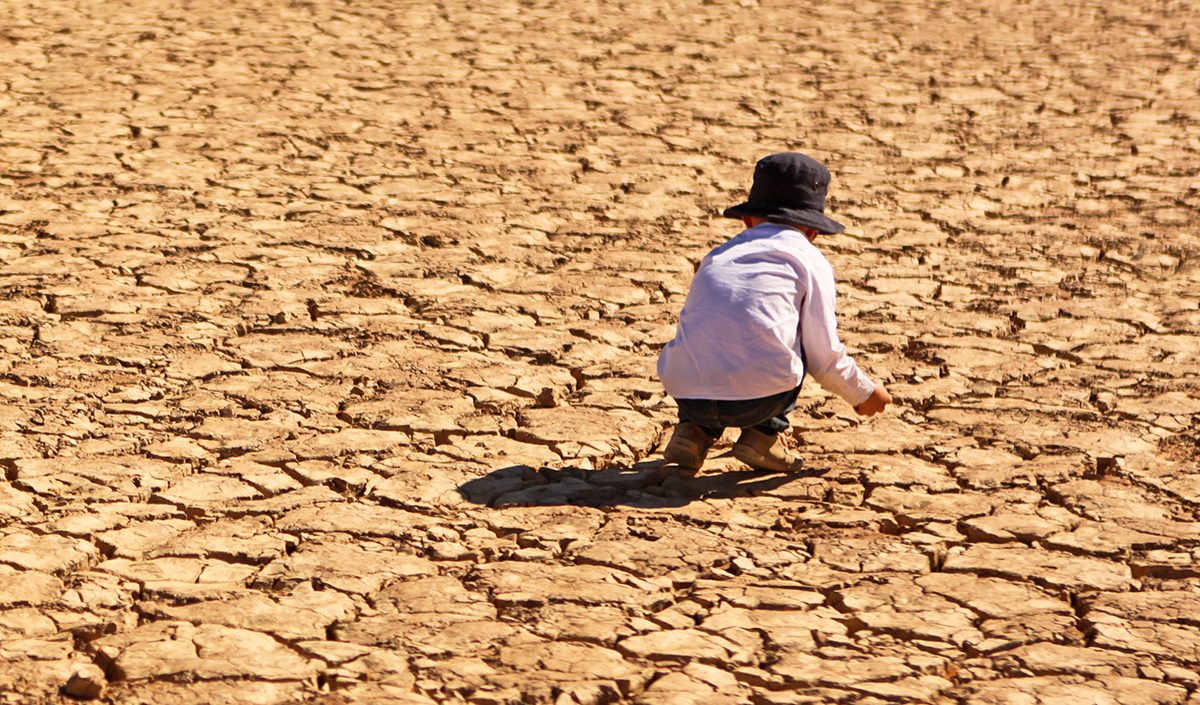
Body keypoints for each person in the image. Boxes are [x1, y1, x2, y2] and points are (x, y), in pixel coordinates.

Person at [657, 152, 892, 473]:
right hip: (760, 401)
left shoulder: (718, 255)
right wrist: (863, 393)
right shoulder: (808, 260)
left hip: (686, 391)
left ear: (748, 220)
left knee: (713, 343)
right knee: (793, 347)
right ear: (813, 231)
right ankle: (763, 435)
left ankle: (691, 433)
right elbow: (824, 357)